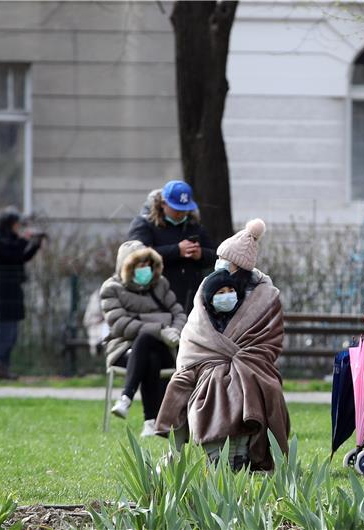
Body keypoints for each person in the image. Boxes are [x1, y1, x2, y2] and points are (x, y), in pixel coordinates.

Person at [156, 219, 290, 471]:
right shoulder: (207, 288)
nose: (219, 263)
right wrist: (212, 358)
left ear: (238, 266)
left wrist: (239, 360)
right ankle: (183, 452)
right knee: (185, 382)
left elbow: (270, 341)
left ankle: (239, 453)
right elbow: (195, 331)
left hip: (252, 363)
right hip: (205, 360)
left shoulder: (266, 297)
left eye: (224, 259)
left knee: (243, 383)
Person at [100, 240, 187, 437]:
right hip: (124, 349)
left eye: (148, 264)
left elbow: (179, 313)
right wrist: (159, 327)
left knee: (148, 344)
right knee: (147, 347)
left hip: (166, 346)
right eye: (140, 264)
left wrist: (175, 330)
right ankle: (151, 422)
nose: (145, 268)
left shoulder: (161, 284)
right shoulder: (111, 288)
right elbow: (120, 324)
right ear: (127, 265)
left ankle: (126, 399)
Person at [127, 180, 216, 312]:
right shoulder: (145, 224)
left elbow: (215, 255)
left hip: (189, 299)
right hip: (155, 298)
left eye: (184, 210)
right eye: (176, 209)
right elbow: (137, 256)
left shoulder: (194, 226)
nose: (180, 214)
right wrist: (176, 250)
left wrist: (200, 254)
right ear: (163, 204)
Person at [0, 207, 45, 380]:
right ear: (9, 224)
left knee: (12, 333)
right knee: (5, 331)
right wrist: (24, 241)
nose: (18, 227)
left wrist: (35, 245)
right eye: (16, 224)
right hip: (4, 291)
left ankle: (4, 368)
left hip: (14, 289)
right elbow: (11, 255)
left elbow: (22, 257)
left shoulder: (12, 240)